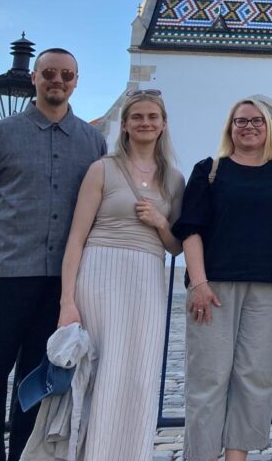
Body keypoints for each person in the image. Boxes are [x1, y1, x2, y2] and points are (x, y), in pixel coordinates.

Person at [0, 48, 106, 461]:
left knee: (38, 380)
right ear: (35, 79)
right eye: (49, 73)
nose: (57, 80)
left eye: (66, 74)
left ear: (76, 80)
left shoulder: (92, 141)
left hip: (59, 284)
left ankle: (26, 455)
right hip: (3, 275)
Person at [171, 99, 272, 461]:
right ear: (230, 128)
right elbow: (191, 228)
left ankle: (237, 456)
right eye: (240, 121)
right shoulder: (210, 170)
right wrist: (198, 283)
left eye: (257, 121)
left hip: (270, 288)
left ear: (269, 129)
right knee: (208, 377)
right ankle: (200, 455)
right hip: (214, 287)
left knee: (255, 377)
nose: (249, 127)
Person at [54, 89, 184, 460]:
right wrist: (67, 301)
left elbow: (176, 245)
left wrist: (160, 222)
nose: (145, 123)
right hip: (100, 272)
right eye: (137, 117)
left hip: (146, 276)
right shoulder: (103, 169)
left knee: (139, 372)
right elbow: (76, 238)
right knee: (99, 367)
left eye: (152, 117)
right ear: (125, 125)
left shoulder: (173, 179)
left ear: (162, 125)